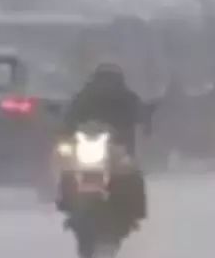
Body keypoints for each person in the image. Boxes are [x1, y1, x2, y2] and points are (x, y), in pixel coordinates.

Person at [62, 63, 151, 225]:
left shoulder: (126, 97)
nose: (106, 84)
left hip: (118, 147)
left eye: (109, 80)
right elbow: (70, 116)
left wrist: (144, 126)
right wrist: (66, 131)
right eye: (103, 80)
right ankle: (67, 203)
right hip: (88, 145)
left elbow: (142, 115)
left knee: (130, 173)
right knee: (68, 169)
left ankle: (133, 208)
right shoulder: (85, 97)